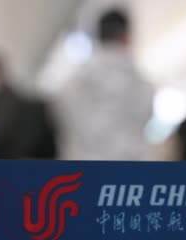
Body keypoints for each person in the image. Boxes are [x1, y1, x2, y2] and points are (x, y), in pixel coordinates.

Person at [55, 9, 154, 161]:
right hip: (128, 175)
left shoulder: (72, 84)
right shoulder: (142, 86)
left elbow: (62, 121)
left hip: (84, 173)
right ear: (126, 37)